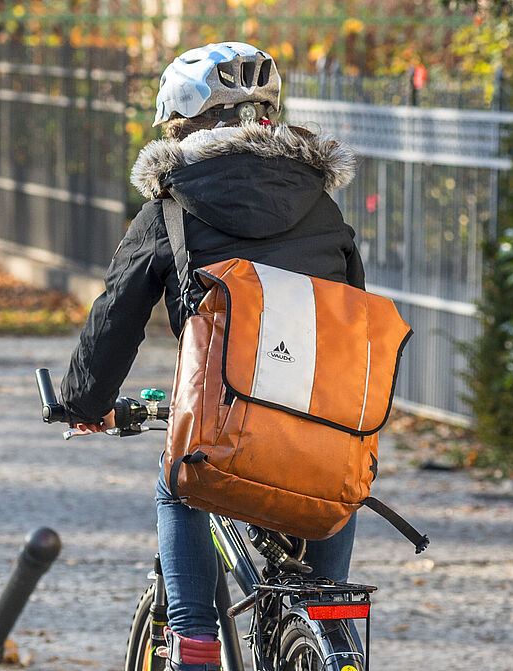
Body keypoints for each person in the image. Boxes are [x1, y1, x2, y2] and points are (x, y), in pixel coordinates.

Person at [59, 43, 362, 671]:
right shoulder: (321, 204)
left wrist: (85, 403)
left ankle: (192, 639)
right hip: (323, 416)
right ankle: (329, 614)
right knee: (336, 481)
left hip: (225, 420)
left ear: (181, 122)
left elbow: (115, 316)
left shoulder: (170, 206)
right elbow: (351, 313)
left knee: (183, 478)